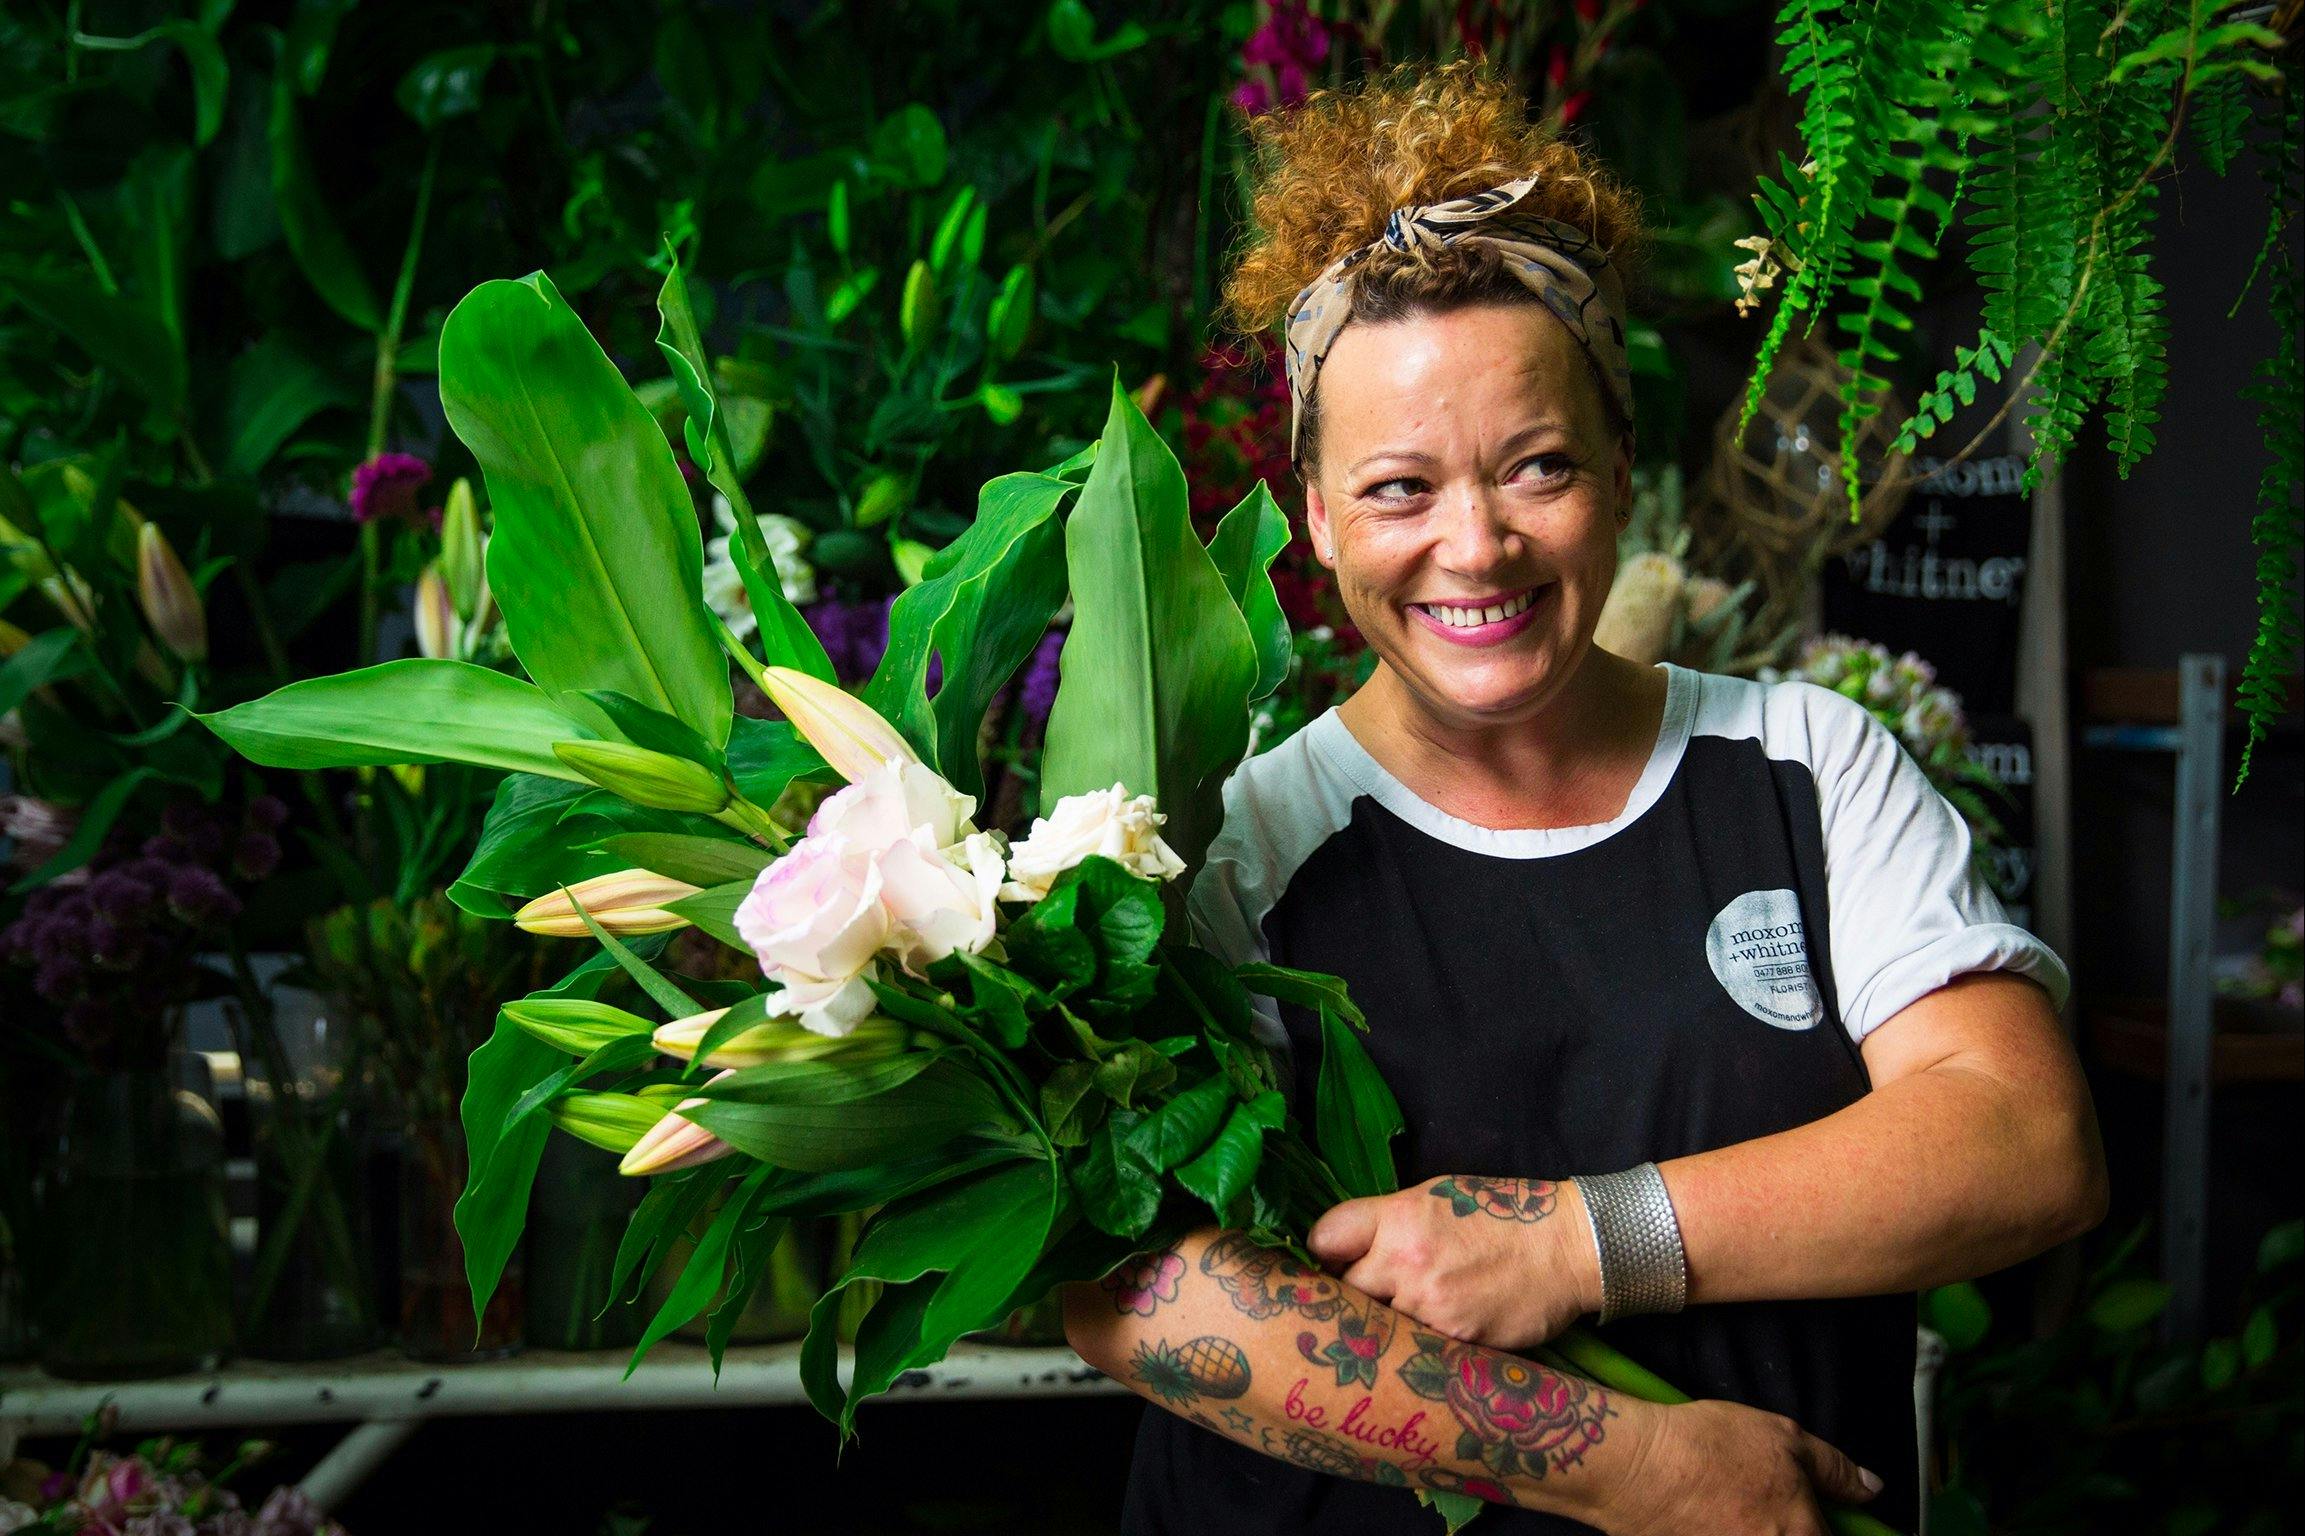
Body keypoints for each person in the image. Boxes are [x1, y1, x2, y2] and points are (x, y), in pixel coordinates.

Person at [1062, 62, 2107, 1535]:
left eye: (1535, 467)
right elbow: (1138, 1291)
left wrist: (1579, 1243)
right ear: (1311, 515)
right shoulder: (1236, 850)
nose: (1473, 548)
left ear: (1619, 470)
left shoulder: (1806, 769)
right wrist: (1632, 1466)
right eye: (1397, 489)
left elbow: (2022, 1142)